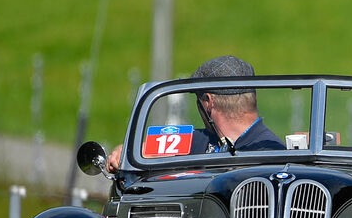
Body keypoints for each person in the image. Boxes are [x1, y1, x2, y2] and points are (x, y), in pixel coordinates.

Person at [107, 55, 282, 172]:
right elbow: (138, 150)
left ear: (208, 102)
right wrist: (121, 152)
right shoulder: (200, 139)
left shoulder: (270, 154)